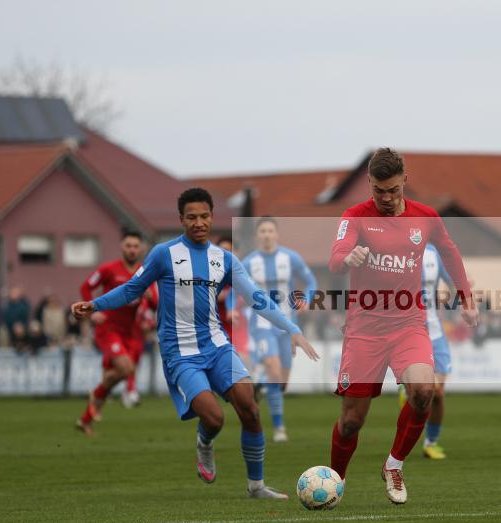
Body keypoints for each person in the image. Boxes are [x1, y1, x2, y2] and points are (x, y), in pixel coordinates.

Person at [72, 188, 319, 500]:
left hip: (217, 346)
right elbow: (132, 289)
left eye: (204, 216)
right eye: (192, 217)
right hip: (180, 353)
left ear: (212, 217)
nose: (199, 222)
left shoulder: (225, 259)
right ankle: (205, 442)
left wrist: (291, 328)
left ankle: (256, 487)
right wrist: (95, 305)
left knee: (250, 409)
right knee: (214, 418)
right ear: (181, 220)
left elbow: (256, 298)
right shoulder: (164, 254)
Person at [328, 148, 477, 504]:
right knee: (351, 421)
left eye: (393, 190)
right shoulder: (354, 216)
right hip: (365, 328)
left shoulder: (425, 217)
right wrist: (348, 258)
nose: (387, 198)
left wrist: (466, 297)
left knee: (424, 392)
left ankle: (394, 465)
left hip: (409, 324)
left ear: (404, 181)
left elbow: (450, 252)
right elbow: (335, 259)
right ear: (370, 184)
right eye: (380, 190)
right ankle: (335, 482)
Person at [243, 217, 317, 443]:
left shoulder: (290, 258)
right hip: (262, 325)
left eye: (270, 231)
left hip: (287, 327)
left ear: (277, 234)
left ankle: (263, 385)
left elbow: (311, 281)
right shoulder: (248, 263)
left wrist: (307, 299)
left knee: (281, 382)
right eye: (262, 231)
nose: (266, 234)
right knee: (275, 371)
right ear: (258, 235)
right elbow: (236, 288)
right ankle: (279, 428)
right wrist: (230, 308)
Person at [76, 231, 158, 433]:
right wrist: (92, 314)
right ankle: (97, 394)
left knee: (123, 372)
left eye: (135, 246)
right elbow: (86, 287)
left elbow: (157, 304)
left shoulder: (145, 272)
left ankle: (86, 418)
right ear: (122, 247)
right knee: (126, 368)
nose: (131, 249)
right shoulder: (108, 269)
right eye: (128, 245)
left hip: (131, 331)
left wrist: (150, 297)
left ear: (142, 249)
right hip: (109, 328)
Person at [399, 242, 455, 459]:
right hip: (408, 334)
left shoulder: (434, 253)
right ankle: (408, 392)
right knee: (427, 391)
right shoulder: (394, 252)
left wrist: (456, 293)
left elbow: (452, 283)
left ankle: (430, 443)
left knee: (438, 394)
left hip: (435, 333)